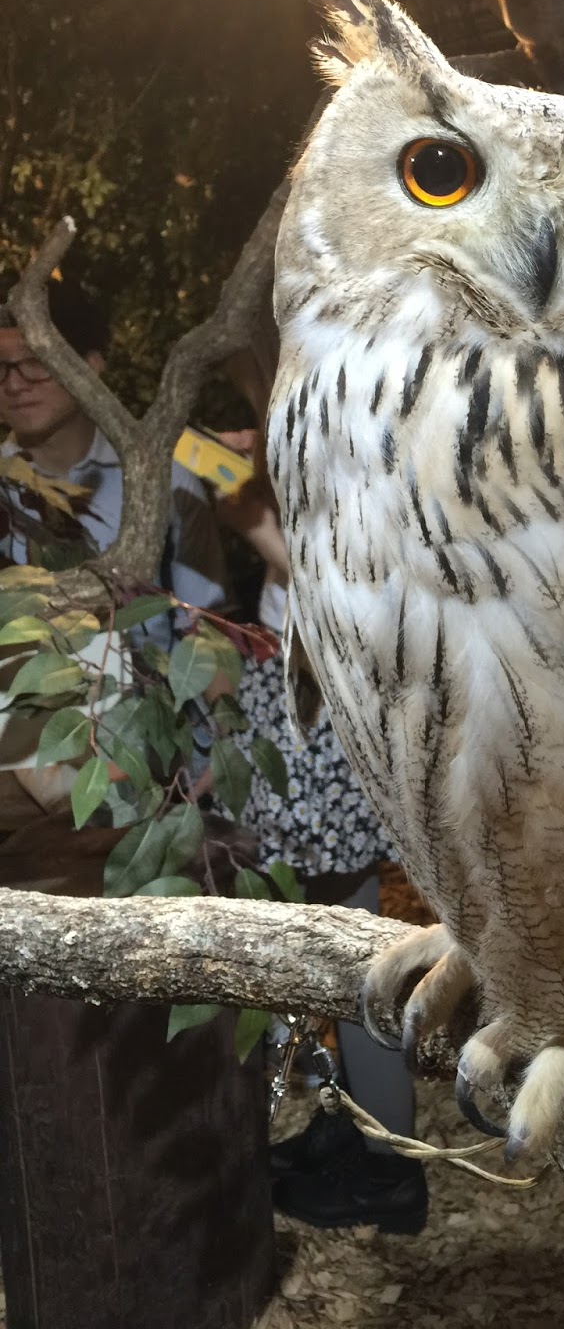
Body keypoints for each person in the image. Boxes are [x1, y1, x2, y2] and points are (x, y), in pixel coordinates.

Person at [216, 376, 427, 1236]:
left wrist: (251, 519)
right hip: (305, 754)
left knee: (347, 965)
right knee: (340, 969)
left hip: (329, 768)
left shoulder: (371, 483)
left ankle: (390, 1176)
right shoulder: (323, 478)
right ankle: (355, 1134)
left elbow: (346, 600)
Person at [0, 277, 227, 648]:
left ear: (90, 366)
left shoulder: (166, 481)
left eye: (35, 362)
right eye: (0, 367)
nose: (14, 385)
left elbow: (206, 630)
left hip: (148, 697)